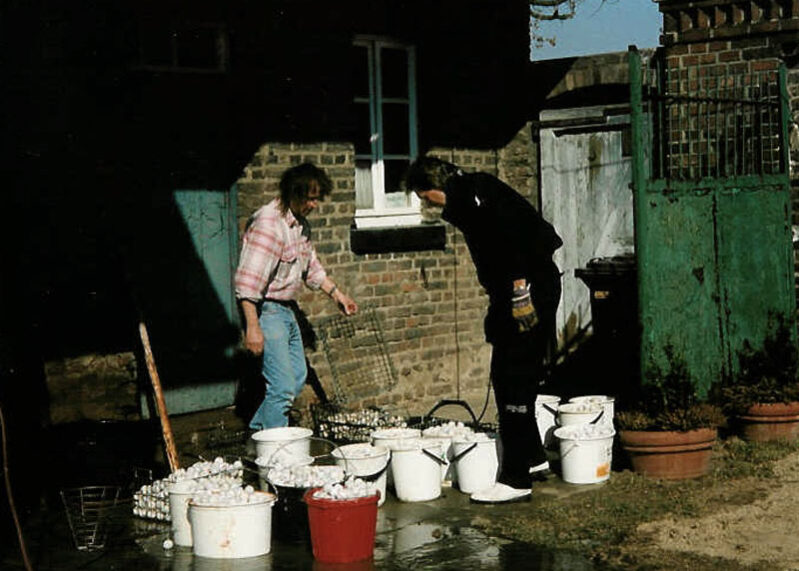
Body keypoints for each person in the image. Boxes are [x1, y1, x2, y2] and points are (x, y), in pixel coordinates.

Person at [405, 156, 562, 503]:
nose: (425, 204)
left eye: (423, 195)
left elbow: (512, 239)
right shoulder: (470, 191)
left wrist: (520, 291)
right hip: (519, 285)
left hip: (527, 286)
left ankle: (516, 479)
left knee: (511, 376)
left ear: (435, 187)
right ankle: (534, 460)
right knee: (513, 373)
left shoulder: (476, 197)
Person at [235, 163, 358, 430]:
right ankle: (275, 457)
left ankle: (256, 439)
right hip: (266, 310)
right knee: (281, 389)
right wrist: (252, 327)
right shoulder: (269, 224)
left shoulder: (299, 226)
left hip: (286, 309)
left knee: (297, 377)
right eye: (309, 198)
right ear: (293, 192)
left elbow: (311, 269)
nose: (314, 204)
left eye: (317, 198)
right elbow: (248, 281)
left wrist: (338, 295)